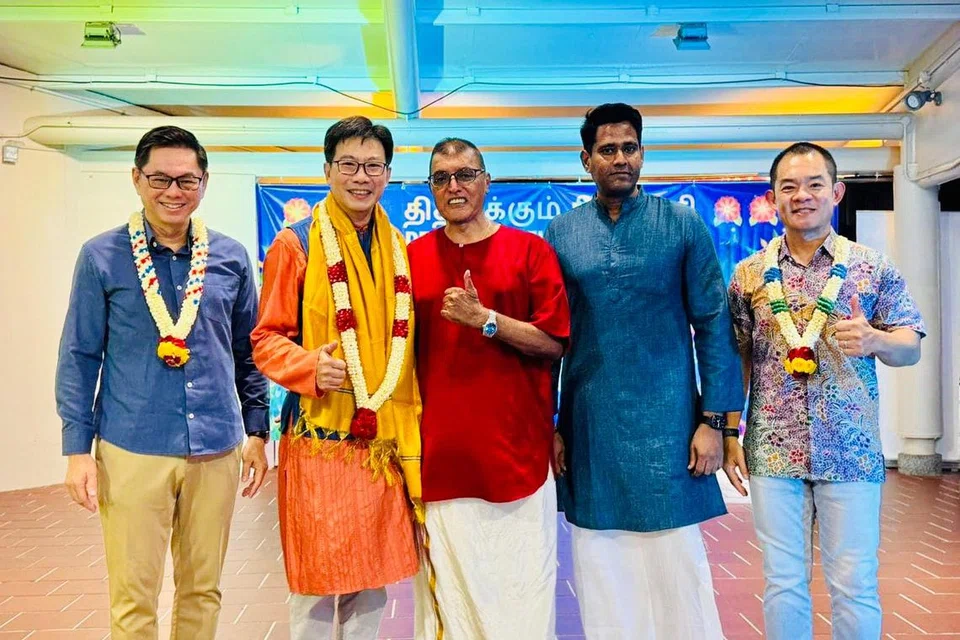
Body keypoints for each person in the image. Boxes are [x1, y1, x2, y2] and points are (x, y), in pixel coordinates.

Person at [56, 125, 270, 640]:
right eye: (160, 179)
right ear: (137, 179)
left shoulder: (231, 257)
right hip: (133, 446)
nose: (174, 191)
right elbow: (80, 355)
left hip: (216, 448)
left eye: (187, 180)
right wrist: (77, 450)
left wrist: (258, 432)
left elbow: (249, 351)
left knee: (203, 590)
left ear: (204, 182)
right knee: (134, 597)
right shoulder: (102, 256)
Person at [544, 103, 744, 640]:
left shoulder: (680, 224)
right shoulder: (562, 233)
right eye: (608, 149)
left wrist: (715, 422)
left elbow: (713, 323)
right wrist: (550, 425)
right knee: (600, 563)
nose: (621, 159)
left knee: (677, 566)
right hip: (592, 426)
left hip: (670, 424)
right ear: (586, 159)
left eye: (630, 148)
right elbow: (551, 339)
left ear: (642, 154)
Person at [725, 142, 925, 640]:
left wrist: (876, 339)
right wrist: (730, 432)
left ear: (836, 193)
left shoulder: (872, 267)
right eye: (789, 187)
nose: (802, 196)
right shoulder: (748, 274)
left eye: (815, 185)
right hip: (773, 450)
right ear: (773, 198)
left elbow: (910, 347)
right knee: (783, 583)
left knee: (855, 584)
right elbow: (738, 360)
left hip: (850, 450)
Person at [251, 116, 422, 639]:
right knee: (317, 584)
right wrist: (309, 366)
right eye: (348, 164)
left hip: (382, 441)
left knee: (372, 580)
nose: (360, 177)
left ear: (387, 174)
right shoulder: (295, 244)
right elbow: (266, 338)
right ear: (327, 170)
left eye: (373, 166)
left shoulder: (399, 247)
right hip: (319, 438)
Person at [407, 138, 570, 639]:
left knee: (521, 597)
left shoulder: (530, 252)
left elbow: (554, 343)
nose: (454, 186)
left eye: (465, 174)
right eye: (441, 178)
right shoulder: (412, 258)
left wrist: (486, 320)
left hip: (517, 459)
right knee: (451, 602)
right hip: (441, 459)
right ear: (431, 189)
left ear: (486, 181)